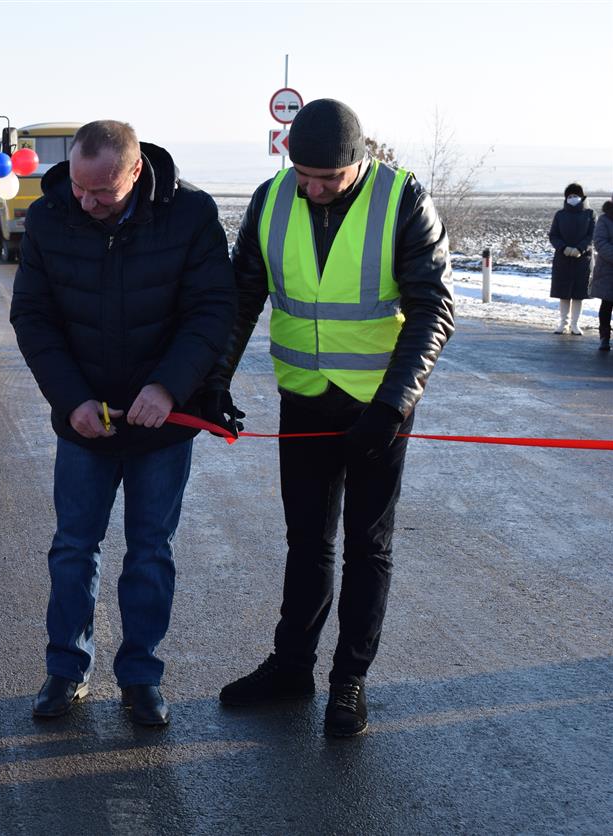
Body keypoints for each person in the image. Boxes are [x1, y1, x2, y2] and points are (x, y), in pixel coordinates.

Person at [208, 99, 455, 736]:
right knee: (307, 543)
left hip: (377, 408)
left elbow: (433, 308)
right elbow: (242, 297)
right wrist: (214, 381)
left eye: (328, 180)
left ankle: (349, 681)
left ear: (358, 162)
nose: (313, 189)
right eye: (303, 176)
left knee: (367, 547)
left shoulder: (402, 201)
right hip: (305, 401)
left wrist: (396, 403)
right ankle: (292, 668)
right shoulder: (271, 200)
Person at [10, 120, 237, 726]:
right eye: (81, 190)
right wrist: (71, 400)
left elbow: (213, 309)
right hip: (83, 423)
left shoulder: (189, 215)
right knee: (73, 549)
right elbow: (32, 318)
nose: (87, 203)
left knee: (149, 553)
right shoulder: (51, 217)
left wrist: (169, 386)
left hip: (162, 424)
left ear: (135, 173)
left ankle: (140, 677)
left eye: (102, 193)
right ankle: (65, 669)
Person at [549, 183, 596, 335]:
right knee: (563, 293)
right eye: (569, 196)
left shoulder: (590, 214)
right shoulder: (560, 215)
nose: (573, 198)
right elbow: (553, 235)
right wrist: (563, 248)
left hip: (582, 260)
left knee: (578, 293)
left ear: (582, 197)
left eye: (575, 195)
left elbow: (592, 235)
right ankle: (563, 323)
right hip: (563, 259)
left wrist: (580, 249)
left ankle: (575, 324)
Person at [591, 192, 613, 351]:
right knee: (607, 303)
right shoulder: (605, 219)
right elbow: (600, 242)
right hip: (608, 269)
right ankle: (604, 337)